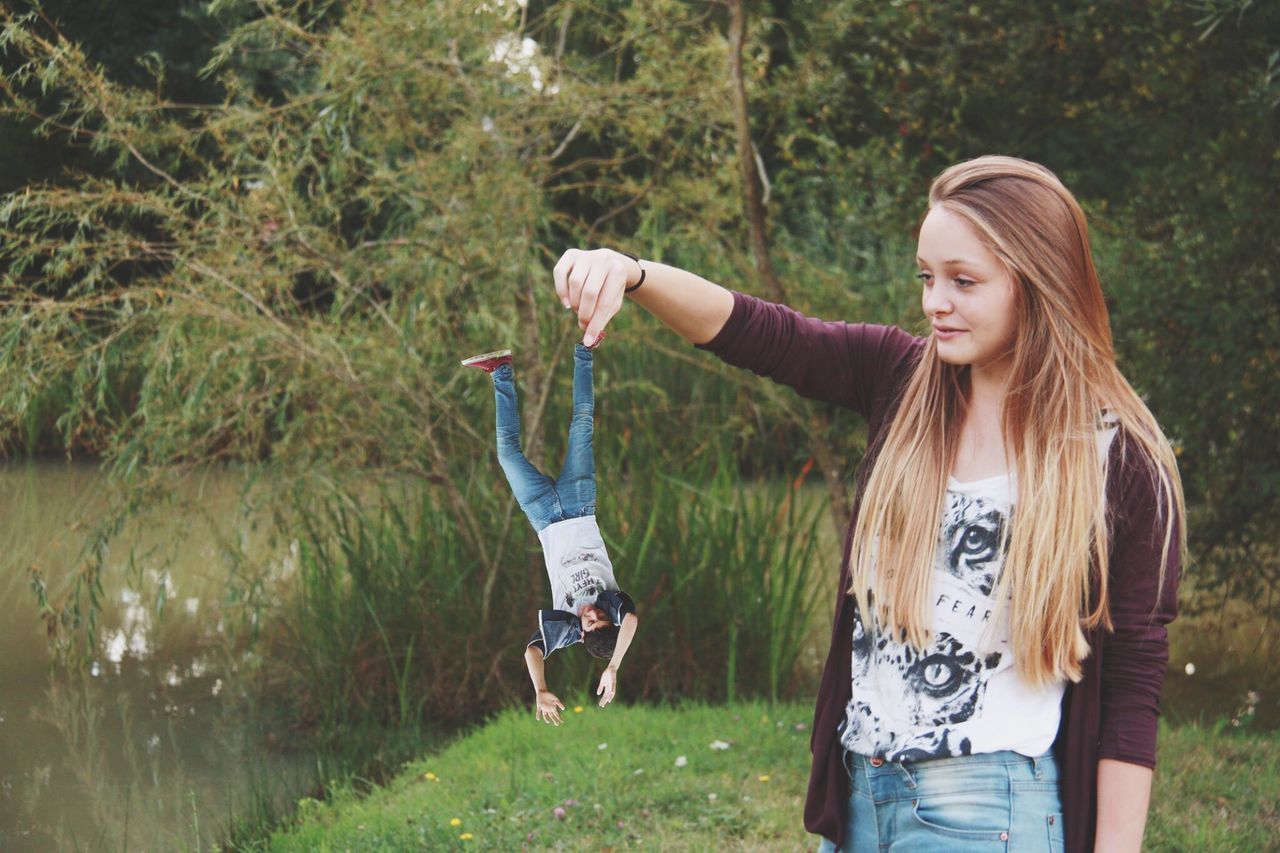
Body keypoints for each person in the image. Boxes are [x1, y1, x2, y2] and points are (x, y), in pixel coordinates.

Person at [550, 156, 1183, 852]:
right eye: (927, 276)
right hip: (859, 803)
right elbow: (765, 334)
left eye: (963, 281)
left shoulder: (1118, 460)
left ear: (1040, 283)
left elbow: (1131, 689)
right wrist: (632, 272)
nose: (934, 301)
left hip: (988, 811)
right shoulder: (904, 382)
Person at [461, 343, 640, 726]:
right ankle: (586, 349)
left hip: (542, 516)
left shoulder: (566, 627)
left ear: (582, 633)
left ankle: (501, 370)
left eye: (589, 622)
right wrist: (614, 667)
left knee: (507, 453)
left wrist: (540, 689)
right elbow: (632, 622)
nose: (590, 613)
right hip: (579, 505)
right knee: (582, 422)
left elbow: (532, 650)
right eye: (598, 618)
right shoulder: (613, 606)